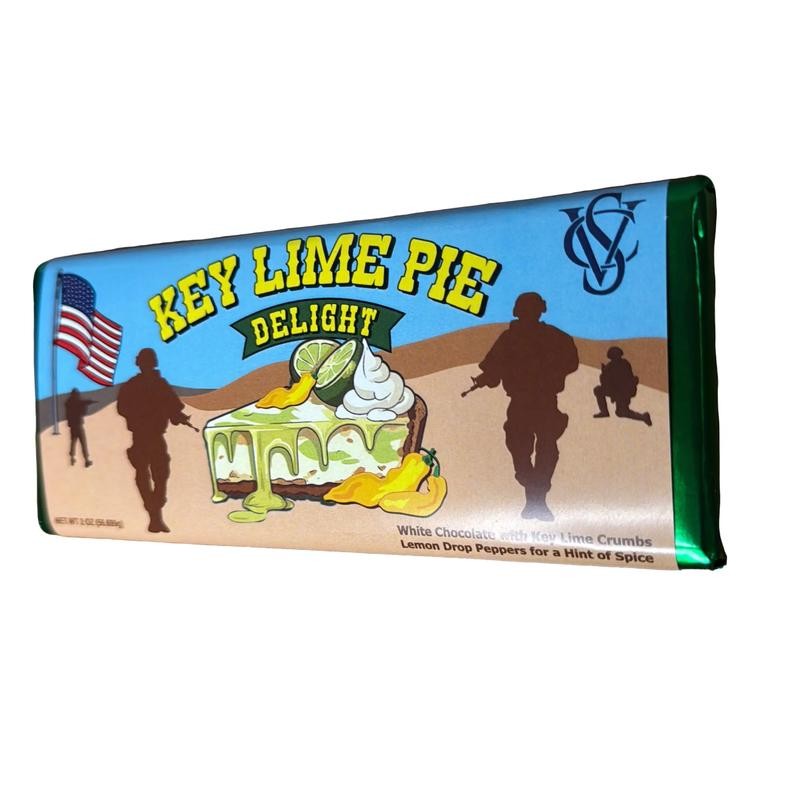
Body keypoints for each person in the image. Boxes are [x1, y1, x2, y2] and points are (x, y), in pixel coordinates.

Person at [472, 292, 579, 521]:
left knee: (545, 449)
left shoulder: (553, 337)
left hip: (543, 400)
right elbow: (493, 370)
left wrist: (550, 372)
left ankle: (536, 498)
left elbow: (571, 362)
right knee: (520, 447)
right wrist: (487, 378)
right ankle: (531, 486)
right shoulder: (510, 338)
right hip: (522, 400)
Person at [117, 348, 193, 533]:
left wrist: (176, 416)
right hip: (144, 436)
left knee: (159, 475)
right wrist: (145, 415)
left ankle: (155, 511)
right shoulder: (139, 385)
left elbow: (173, 407)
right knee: (149, 475)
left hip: (151, 436)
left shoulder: (153, 384)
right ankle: (154, 514)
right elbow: (123, 408)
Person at [593, 346, 652, 426]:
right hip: (617, 391)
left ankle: (643, 417)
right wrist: (604, 373)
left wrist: (604, 373)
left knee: (621, 412)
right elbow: (605, 382)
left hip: (623, 393)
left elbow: (621, 381)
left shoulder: (623, 364)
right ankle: (604, 412)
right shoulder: (613, 365)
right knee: (598, 390)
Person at [64, 388, 95, 467]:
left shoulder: (69, 403)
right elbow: (82, 410)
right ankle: (86, 460)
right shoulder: (77, 402)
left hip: (72, 425)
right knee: (83, 442)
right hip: (78, 425)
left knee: (73, 441)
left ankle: (72, 457)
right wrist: (86, 404)